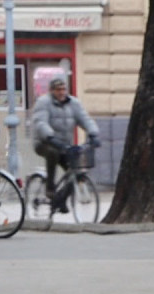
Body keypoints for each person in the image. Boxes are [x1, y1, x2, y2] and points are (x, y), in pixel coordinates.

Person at [32, 77, 101, 214]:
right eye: (58, 90)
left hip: (64, 145)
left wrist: (93, 134)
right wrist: (50, 136)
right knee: (53, 153)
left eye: (63, 89)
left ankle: (61, 199)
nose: (62, 92)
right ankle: (50, 189)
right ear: (51, 91)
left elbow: (85, 119)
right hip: (44, 142)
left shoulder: (73, 103)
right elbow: (40, 123)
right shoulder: (43, 102)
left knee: (76, 171)